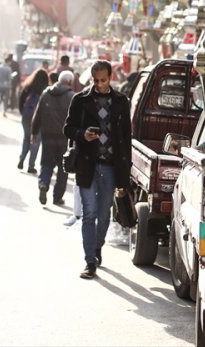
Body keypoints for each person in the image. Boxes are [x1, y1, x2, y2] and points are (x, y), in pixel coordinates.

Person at [63, 60, 131, 279]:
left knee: (103, 215)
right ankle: (89, 261)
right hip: (87, 164)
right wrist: (82, 134)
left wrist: (125, 171)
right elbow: (68, 128)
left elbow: (126, 137)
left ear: (110, 78)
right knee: (89, 213)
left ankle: (97, 246)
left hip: (111, 167)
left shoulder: (121, 101)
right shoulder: (80, 100)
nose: (99, 84)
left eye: (103, 80)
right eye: (96, 80)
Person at [31, 70, 76, 206]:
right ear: (70, 82)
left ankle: (43, 184)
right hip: (64, 139)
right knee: (63, 168)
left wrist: (34, 133)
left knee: (46, 163)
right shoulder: (72, 97)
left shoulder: (46, 93)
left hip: (47, 136)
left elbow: (37, 114)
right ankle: (57, 197)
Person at [18, 69, 49, 173]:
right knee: (35, 141)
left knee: (26, 138)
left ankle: (22, 159)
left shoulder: (27, 87)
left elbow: (21, 101)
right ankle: (31, 166)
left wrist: (23, 113)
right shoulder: (46, 90)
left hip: (26, 117)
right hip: (38, 119)